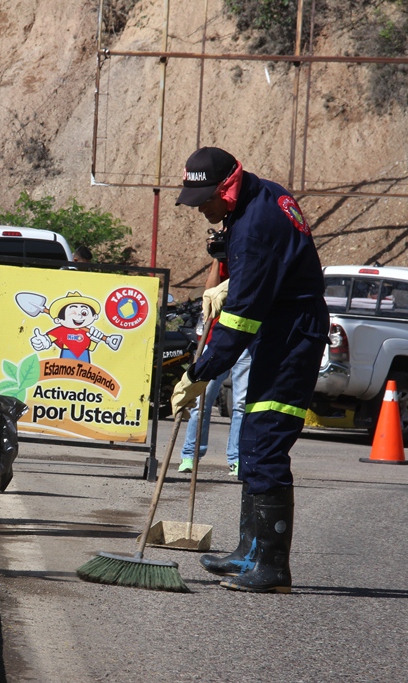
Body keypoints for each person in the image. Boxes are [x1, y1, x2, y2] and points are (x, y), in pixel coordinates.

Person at [171, 146, 328, 593]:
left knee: (264, 442)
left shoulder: (255, 225)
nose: (200, 208)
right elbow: (275, 269)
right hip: (283, 330)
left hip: (292, 338)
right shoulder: (263, 196)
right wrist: (231, 281)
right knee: (255, 437)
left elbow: (242, 318)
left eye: (204, 199)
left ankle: (273, 567)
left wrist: (201, 373)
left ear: (227, 187)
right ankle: (249, 552)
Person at [178, 260, 250, 477]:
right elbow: (209, 291)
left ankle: (237, 458)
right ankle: (190, 455)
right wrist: (218, 259)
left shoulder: (253, 255)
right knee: (203, 399)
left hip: (247, 338)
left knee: (241, 403)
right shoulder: (227, 256)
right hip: (218, 338)